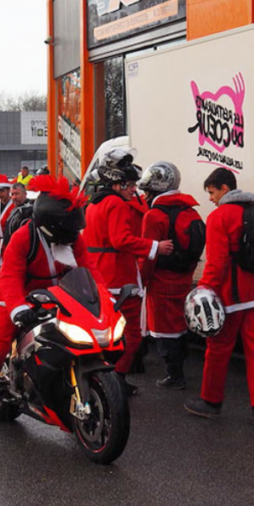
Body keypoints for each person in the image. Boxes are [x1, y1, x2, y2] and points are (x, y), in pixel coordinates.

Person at [0, 175, 100, 443]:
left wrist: (103, 298)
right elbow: (10, 278)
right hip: (15, 298)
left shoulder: (72, 237)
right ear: (51, 224)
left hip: (59, 296)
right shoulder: (23, 238)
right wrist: (18, 308)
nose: (73, 236)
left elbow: (89, 270)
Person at [185, 168, 254, 428]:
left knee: (218, 349)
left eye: (212, 192)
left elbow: (217, 262)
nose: (211, 199)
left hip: (230, 297)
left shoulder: (219, 217)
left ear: (224, 189)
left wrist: (203, 290)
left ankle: (210, 402)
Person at [85, 150, 173, 395]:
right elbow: (121, 239)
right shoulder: (115, 203)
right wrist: (155, 246)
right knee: (133, 333)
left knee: (105, 331)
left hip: (100, 274)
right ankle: (117, 378)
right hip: (118, 276)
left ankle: (103, 377)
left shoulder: (94, 203)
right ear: (117, 182)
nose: (134, 189)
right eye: (131, 184)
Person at [139, 161, 203, 390]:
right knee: (181, 325)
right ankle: (178, 372)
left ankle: (174, 375)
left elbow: (148, 254)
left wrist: (141, 281)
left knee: (164, 331)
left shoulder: (154, 216)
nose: (145, 195)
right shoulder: (191, 212)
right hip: (184, 278)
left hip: (161, 280)